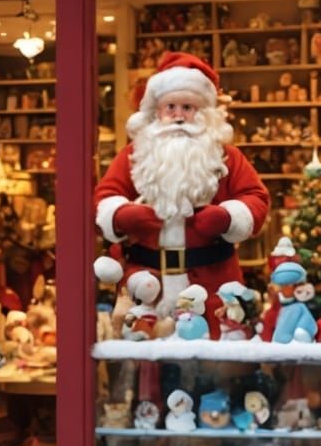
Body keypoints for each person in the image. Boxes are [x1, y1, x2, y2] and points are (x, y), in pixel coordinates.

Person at [93, 50, 269, 332]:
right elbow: (105, 196)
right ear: (156, 112)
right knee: (149, 362)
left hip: (214, 286)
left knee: (213, 364)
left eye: (187, 108)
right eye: (170, 107)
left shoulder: (226, 156)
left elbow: (256, 198)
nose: (178, 116)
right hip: (148, 285)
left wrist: (227, 218)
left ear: (203, 113)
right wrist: (122, 215)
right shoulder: (134, 155)